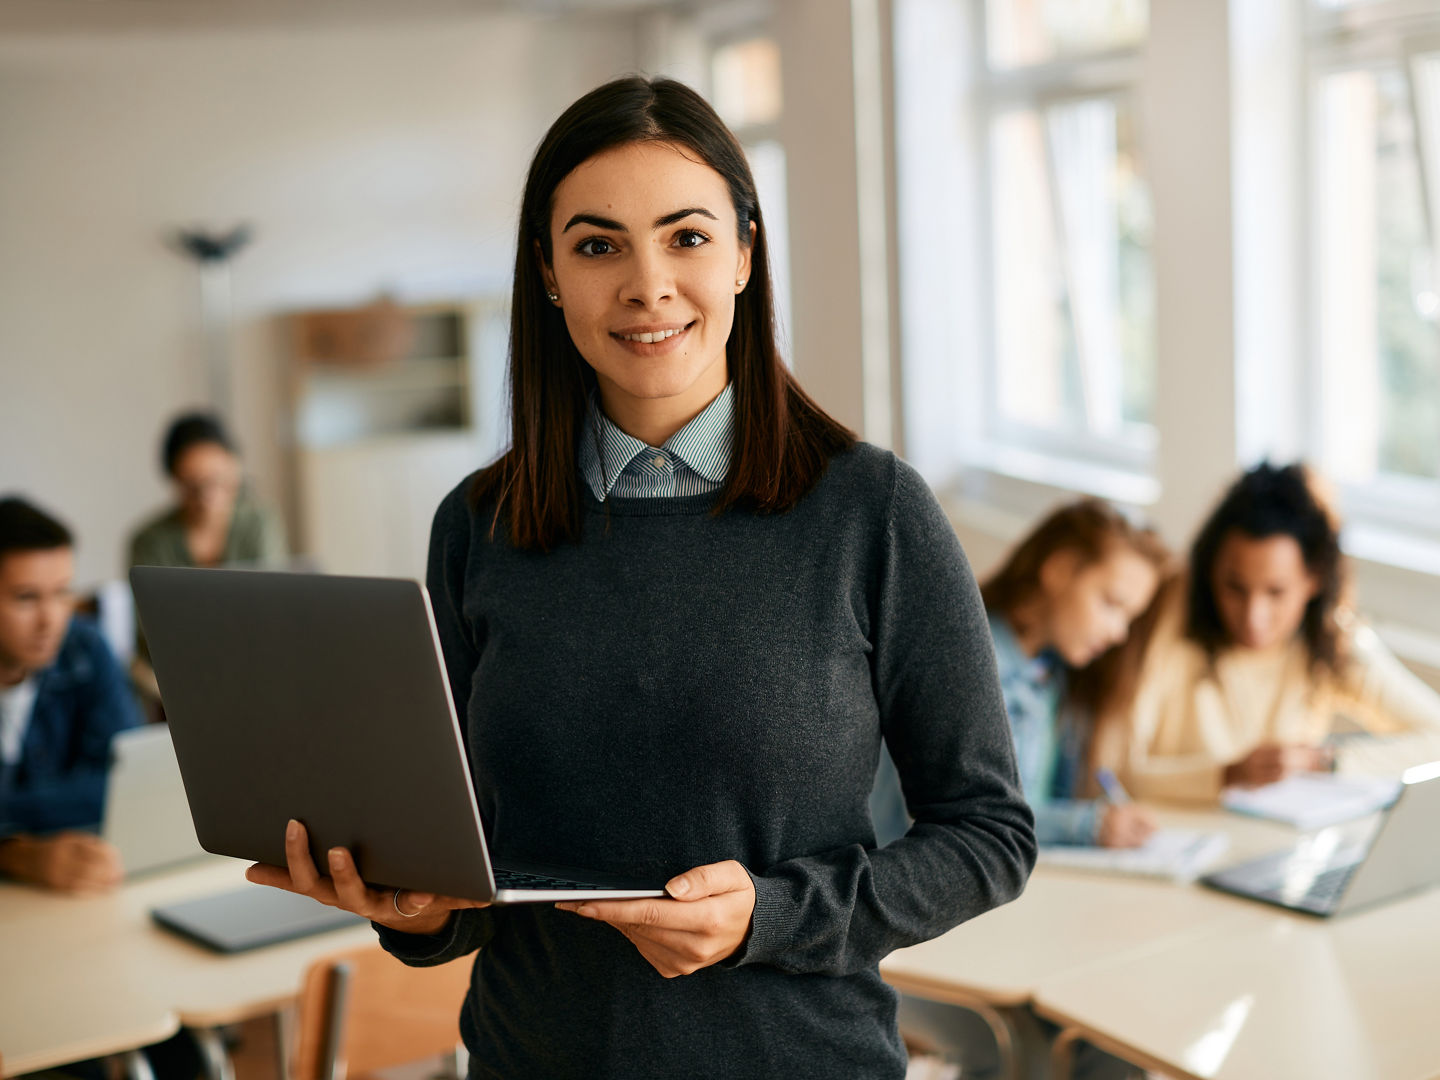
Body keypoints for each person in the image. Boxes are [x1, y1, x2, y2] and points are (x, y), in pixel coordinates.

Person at [245, 76, 1035, 1079]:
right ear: (547, 273)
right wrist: (417, 914)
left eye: (688, 237)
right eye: (597, 244)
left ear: (747, 253)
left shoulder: (871, 512)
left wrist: (773, 915)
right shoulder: (478, 527)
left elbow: (988, 835)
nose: (647, 284)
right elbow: (464, 857)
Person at [873, 499, 1169, 1080]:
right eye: (1111, 604)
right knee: (1080, 1033)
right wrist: (1085, 825)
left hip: (1015, 911)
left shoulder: (1051, 676)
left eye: (1130, 617)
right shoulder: (957, 659)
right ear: (1058, 569)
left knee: (1124, 1022)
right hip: (928, 919)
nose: (1117, 632)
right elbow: (956, 820)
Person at [1117, 462, 1440, 801]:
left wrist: (1324, 762)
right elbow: (1116, 771)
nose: (1253, 618)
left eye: (1276, 593)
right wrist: (1224, 775)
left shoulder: (1331, 637)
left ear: (1314, 579)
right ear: (1211, 569)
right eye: (1234, 588)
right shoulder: (1173, 604)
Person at [0, 496, 139, 892]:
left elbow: (125, 786)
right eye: (27, 597)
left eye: (62, 593)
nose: (50, 620)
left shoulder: (86, 648)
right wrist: (19, 854)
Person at [128, 410, 286, 573]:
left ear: (235, 470)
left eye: (217, 480)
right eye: (192, 486)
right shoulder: (149, 541)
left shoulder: (259, 523)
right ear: (174, 479)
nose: (207, 497)